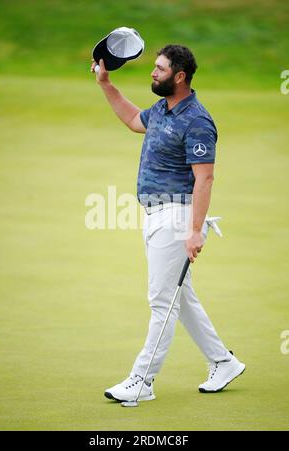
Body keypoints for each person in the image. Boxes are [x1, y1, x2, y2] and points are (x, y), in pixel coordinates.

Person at [91, 44, 245, 402]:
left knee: (163, 301)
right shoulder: (162, 109)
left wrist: (195, 230)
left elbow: (204, 179)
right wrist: (106, 84)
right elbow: (133, 120)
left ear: (179, 76)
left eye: (159, 69)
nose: (152, 73)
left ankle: (141, 382)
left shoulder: (198, 120)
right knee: (182, 298)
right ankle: (223, 361)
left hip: (177, 217)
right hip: (155, 215)